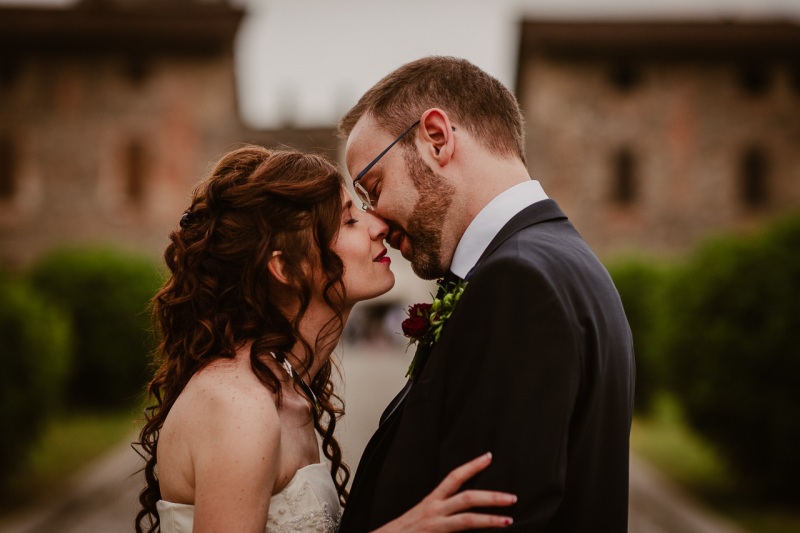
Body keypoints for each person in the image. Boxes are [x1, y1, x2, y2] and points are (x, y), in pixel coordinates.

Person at [134, 146, 518, 533]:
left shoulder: (286, 389)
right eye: (349, 220)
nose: (378, 225)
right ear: (284, 266)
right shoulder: (240, 408)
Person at [338, 56, 635, 532]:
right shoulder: (562, 260)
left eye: (372, 188)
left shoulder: (519, 283)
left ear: (436, 137)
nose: (374, 219)